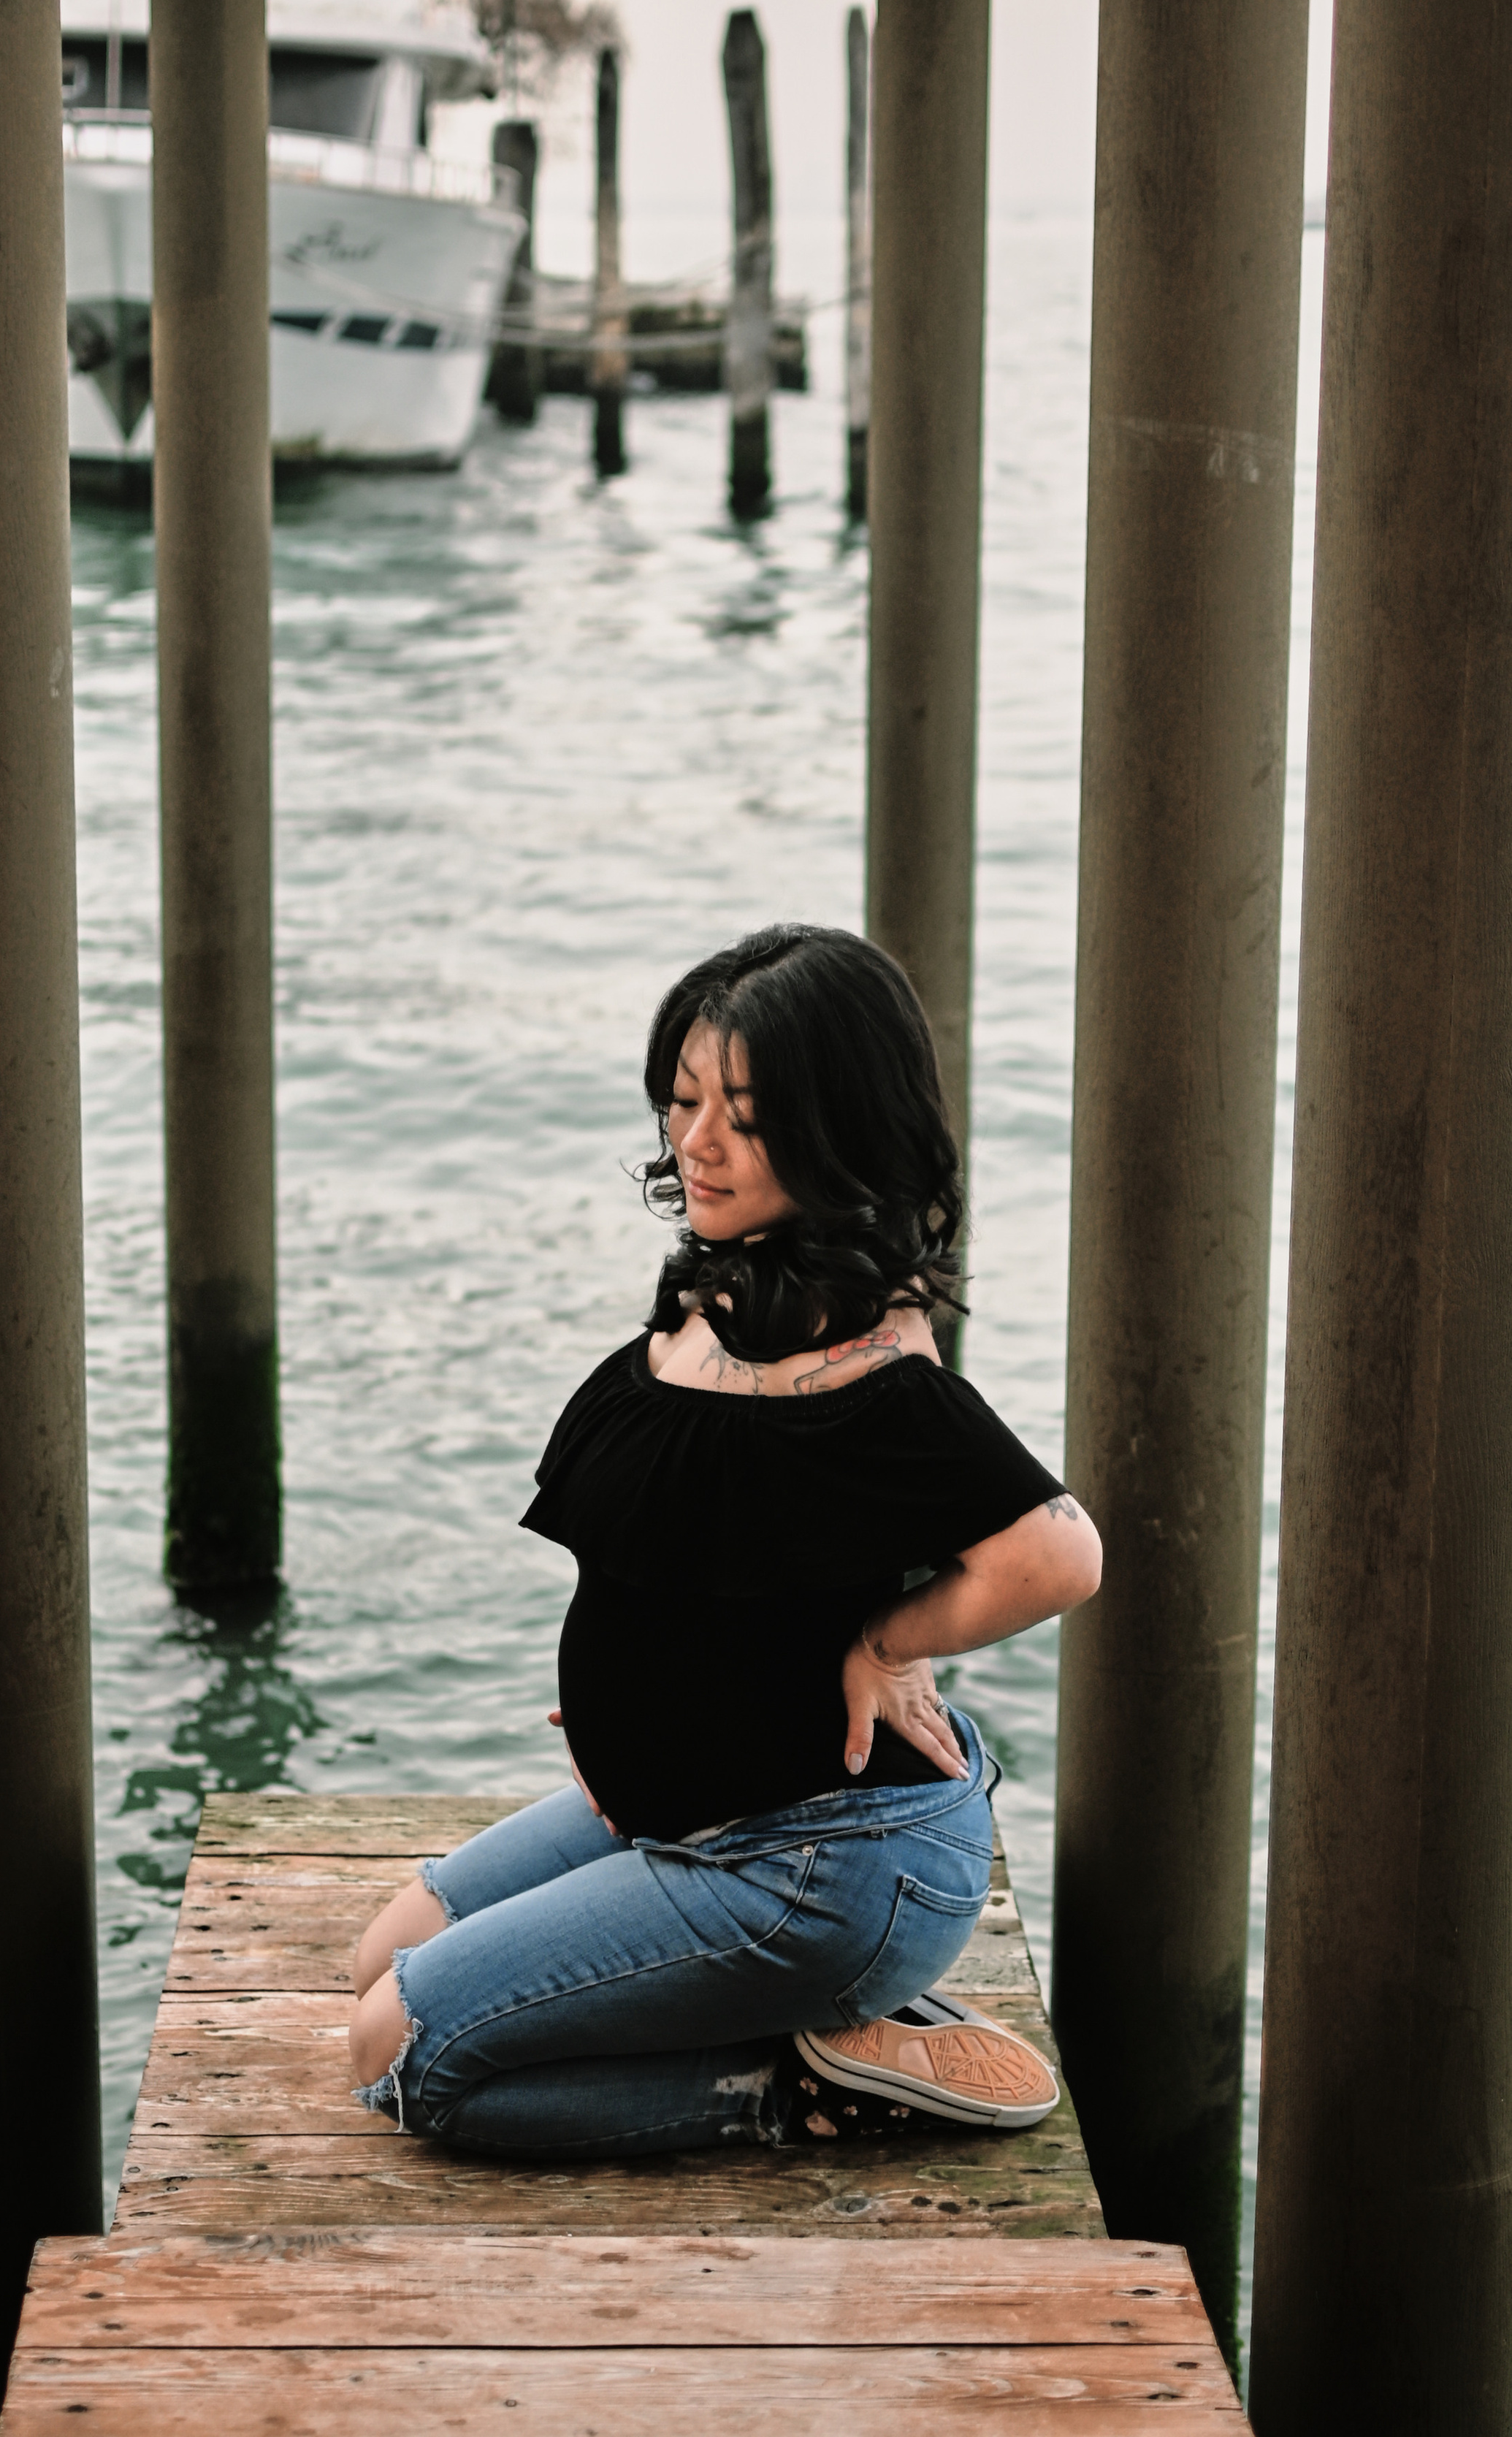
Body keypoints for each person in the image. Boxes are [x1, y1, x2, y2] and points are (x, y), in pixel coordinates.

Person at [348, 922, 1100, 2151]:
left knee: (405, 2056)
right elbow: (721, 1537)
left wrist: (889, 1639)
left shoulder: (876, 1371)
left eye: (741, 1116)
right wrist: (649, 1690)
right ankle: (815, 2027)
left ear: (837, 1124)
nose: (695, 1143)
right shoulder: (724, 1300)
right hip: (688, 1803)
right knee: (382, 1953)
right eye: (684, 1100)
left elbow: (1059, 1557)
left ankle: (788, 2089)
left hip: (820, 1858)